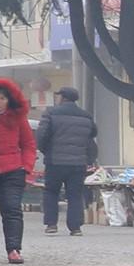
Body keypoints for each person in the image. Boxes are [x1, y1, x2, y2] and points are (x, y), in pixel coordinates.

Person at [36, 87, 97, 234]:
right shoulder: (86, 116)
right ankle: (75, 227)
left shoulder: (50, 114)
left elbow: (42, 135)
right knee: (75, 194)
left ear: (62, 98)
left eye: (58, 96)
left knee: (51, 192)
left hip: (55, 161)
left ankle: (51, 224)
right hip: (78, 162)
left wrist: (46, 151)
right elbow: (92, 135)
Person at [0, 79, 32, 263]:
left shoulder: (18, 119)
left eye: (2, 98)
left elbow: (28, 144)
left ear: (9, 100)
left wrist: (26, 167)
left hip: (12, 170)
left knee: (12, 211)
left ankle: (14, 249)